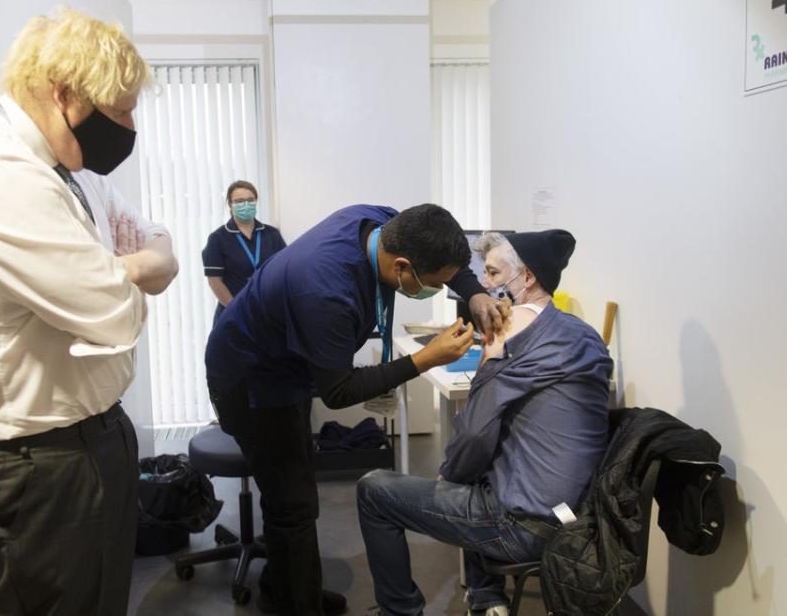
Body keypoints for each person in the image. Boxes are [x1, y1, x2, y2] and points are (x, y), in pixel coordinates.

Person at [0, 7, 177, 616]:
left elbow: (156, 241)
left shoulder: (69, 169)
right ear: (64, 94)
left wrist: (126, 266)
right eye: (121, 110)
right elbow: (115, 314)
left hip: (86, 443)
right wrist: (131, 272)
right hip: (36, 468)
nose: (131, 127)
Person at [205, 203, 510, 615]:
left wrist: (473, 293)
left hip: (286, 367)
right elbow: (339, 391)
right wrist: (425, 358)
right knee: (291, 503)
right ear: (402, 267)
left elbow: (447, 261)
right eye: (435, 284)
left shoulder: (383, 222)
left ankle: (283, 588)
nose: (439, 290)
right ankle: (296, 604)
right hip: (250, 380)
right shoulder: (325, 290)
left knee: (292, 492)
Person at [356, 229, 612, 616]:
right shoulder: (583, 333)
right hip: (583, 519)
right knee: (480, 469)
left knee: (374, 490)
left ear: (526, 278)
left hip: (527, 527)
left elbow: (475, 432)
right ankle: (487, 597)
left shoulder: (508, 330)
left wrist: (450, 473)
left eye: (492, 274)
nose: (483, 286)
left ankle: (400, 611)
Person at [202, 180, 286, 322]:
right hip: (233, 313)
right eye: (239, 201)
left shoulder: (272, 234)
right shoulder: (218, 238)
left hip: (268, 311)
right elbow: (215, 281)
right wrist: (236, 310)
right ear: (230, 205)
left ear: (256, 202)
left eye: (250, 200)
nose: (246, 205)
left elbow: (283, 270)